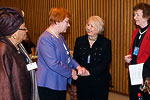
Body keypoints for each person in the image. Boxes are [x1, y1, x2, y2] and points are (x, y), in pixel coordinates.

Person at [36, 8, 87, 100]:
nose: (69, 25)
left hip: (60, 83)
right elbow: (53, 63)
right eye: (67, 22)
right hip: (49, 84)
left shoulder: (60, 37)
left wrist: (78, 67)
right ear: (57, 21)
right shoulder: (45, 39)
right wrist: (71, 72)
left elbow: (68, 57)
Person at [73, 16, 112, 100]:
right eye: (88, 25)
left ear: (99, 29)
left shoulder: (106, 43)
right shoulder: (79, 40)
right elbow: (75, 58)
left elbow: (105, 63)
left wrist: (89, 72)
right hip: (83, 80)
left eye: (92, 26)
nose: (88, 28)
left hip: (100, 80)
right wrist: (79, 69)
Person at [0, 7, 32, 100]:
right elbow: (3, 89)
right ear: (14, 33)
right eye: (24, 28)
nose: (27, 31)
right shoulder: (3, 50)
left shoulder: (17, 47)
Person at [124, 3, 150, 100]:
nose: (134, 17)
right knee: (134, 96)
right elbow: (133, 51)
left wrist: (146, 76)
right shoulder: (136, 32)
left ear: (146, 16)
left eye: (137, 15)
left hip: (146, 75)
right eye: (134, 15)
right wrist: (129, 58)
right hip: (134, 73)